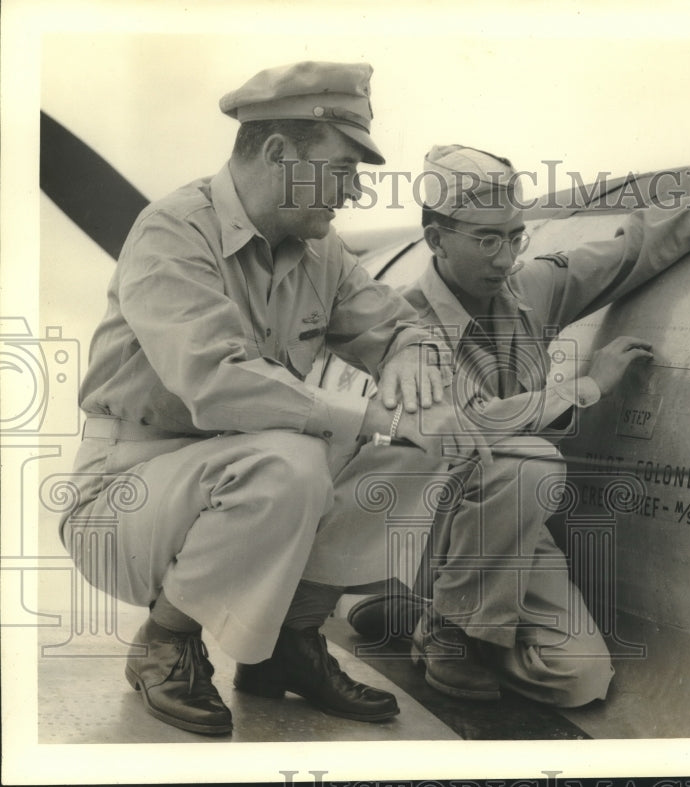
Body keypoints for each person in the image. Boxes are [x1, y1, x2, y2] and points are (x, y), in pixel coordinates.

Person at [343, 145, 690, 707]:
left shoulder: (527, 291)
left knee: (577, 678)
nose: (505, 259)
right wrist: (587, 386)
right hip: (425, 517)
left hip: (503, 528)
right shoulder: (402, 323)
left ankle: (429, 618)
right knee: (528, 461)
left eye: (515, 237)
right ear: (436, 239)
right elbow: (472, 422)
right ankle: (449, 628)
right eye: (486, 240)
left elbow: (636, 248)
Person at [58, 61, 461, 736]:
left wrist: (410, 355)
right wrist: (370, 415)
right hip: (124, 496)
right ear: (278, 154)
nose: (356, 190)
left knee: (427, 443)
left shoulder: (320, 253)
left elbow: (399, 325)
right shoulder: (171, 232)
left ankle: (287, 645)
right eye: (343, 168)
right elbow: (218, 381)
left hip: (243, 480)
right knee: (291, 460)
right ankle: (165, 641)